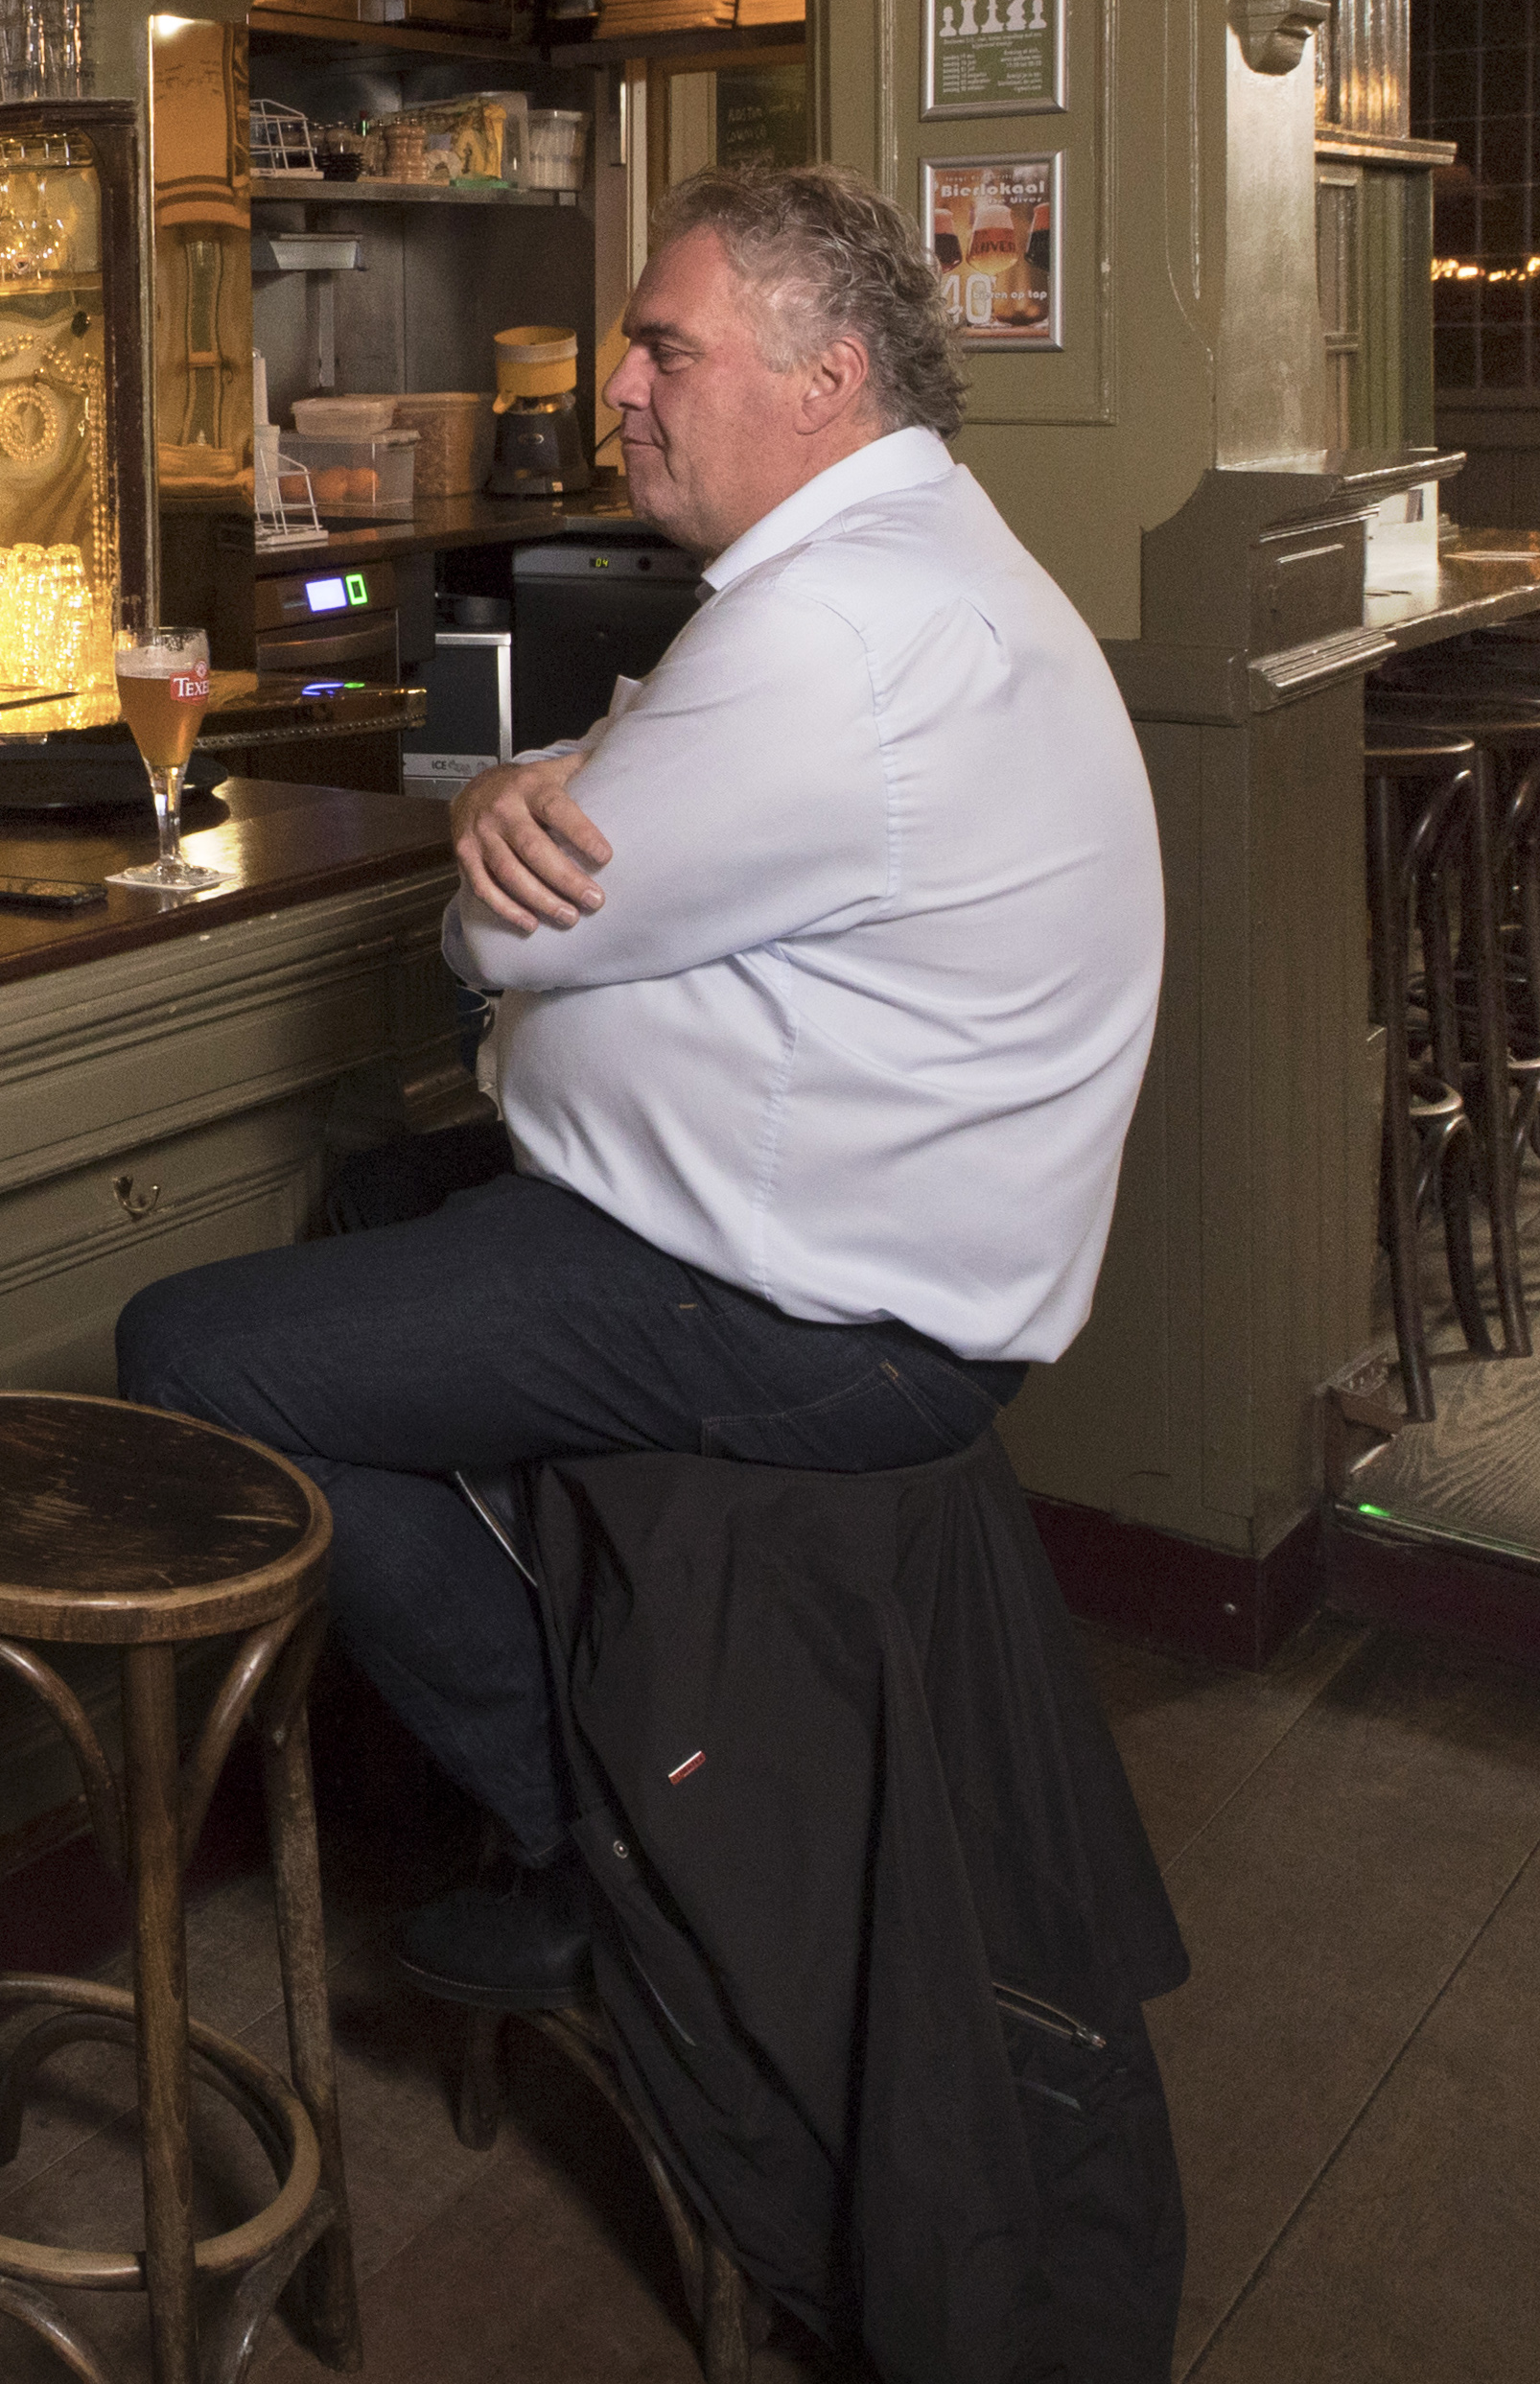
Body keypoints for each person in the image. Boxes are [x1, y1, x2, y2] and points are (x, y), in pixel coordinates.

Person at [121, 159, 1158, 2002]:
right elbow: (619, 773)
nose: (613, 391)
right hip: (882, 1256)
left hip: (804, 1302)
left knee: (190, 1353)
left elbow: (505, 941)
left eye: (660, 351)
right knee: (373, 1203)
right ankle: (575, 1713)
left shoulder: (827, 634)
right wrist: (548, 782)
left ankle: (588, 1826)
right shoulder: (901, 567)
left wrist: (500, 850)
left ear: (824, 376)